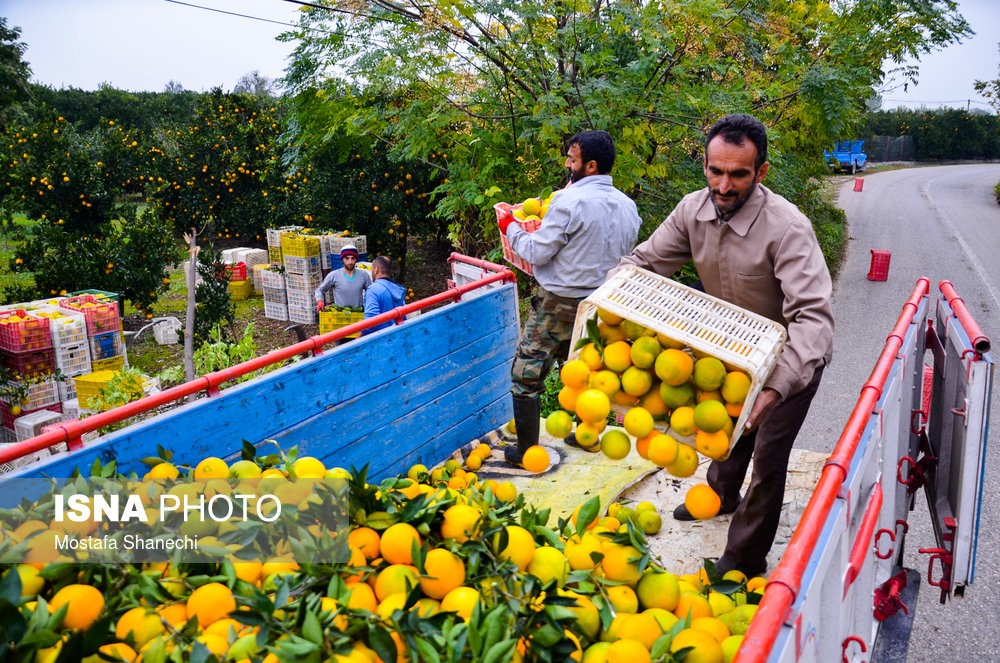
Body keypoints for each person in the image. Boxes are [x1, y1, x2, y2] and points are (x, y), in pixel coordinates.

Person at [613, 113, 834, 577]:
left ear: (762, 172)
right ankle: (718, 495)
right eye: (716, 171)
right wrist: (611, 296)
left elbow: (813, 317)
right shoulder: (692, 211)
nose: (724, 185)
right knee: (727, 435)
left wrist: (774, 389)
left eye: (738, 174)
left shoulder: (787, 227)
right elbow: (645, 264)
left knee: (768, 457)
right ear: (706, 165)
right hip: (731, 352)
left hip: (791, 359)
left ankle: (743, 560)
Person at [499, 129, 641, 466]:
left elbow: (537, 251)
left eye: (572, 159)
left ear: (590, 166)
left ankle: (526, 451)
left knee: (526, 373)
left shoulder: (569, 201)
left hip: (558, 304)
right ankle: (586, 436)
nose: (567, 164)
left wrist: (511, 228)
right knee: (585, 372)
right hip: (603, 305)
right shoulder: (627, 205)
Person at [315, 244, 372, 312]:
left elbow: (371, 292)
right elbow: (320, 290)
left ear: (356, 259)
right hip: (340, 314)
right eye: (347, 258)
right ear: (342, 259)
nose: (350, 261)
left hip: (358, 313)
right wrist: (320, 301)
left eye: (353, 258)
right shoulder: (334, 275)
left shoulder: (363, 275)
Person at [361, 255, 406, 335]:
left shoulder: (373, 290)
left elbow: (371, 323)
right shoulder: (398, 288)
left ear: (376, 269)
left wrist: (358, 339)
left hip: (381, 340)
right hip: (397, 336)